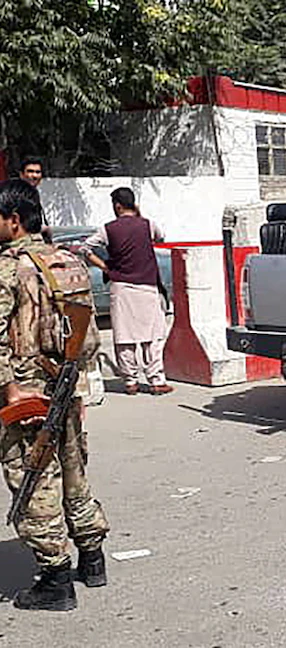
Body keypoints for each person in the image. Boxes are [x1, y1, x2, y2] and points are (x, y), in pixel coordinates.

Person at [0, 179, 109, 611]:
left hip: (26, 390)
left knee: (33, 476)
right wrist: (75, 384)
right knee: (73, 469)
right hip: (65, 384)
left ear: (13, 220)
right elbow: (89, 334)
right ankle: (92, 559)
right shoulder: (67, 260)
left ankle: (55, 579)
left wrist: (10, 388)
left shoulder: (10, 268)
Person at [82, 187, 173, 395]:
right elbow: (161, 237)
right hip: (148, 286)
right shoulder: (147, 225)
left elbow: (85, 248)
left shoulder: (108, 229)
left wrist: (105, 267)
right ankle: (157, 381)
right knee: (152, 336)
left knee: (125, 337)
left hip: (121, 287)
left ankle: (131, 382)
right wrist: (140, 214)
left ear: (117, 206)